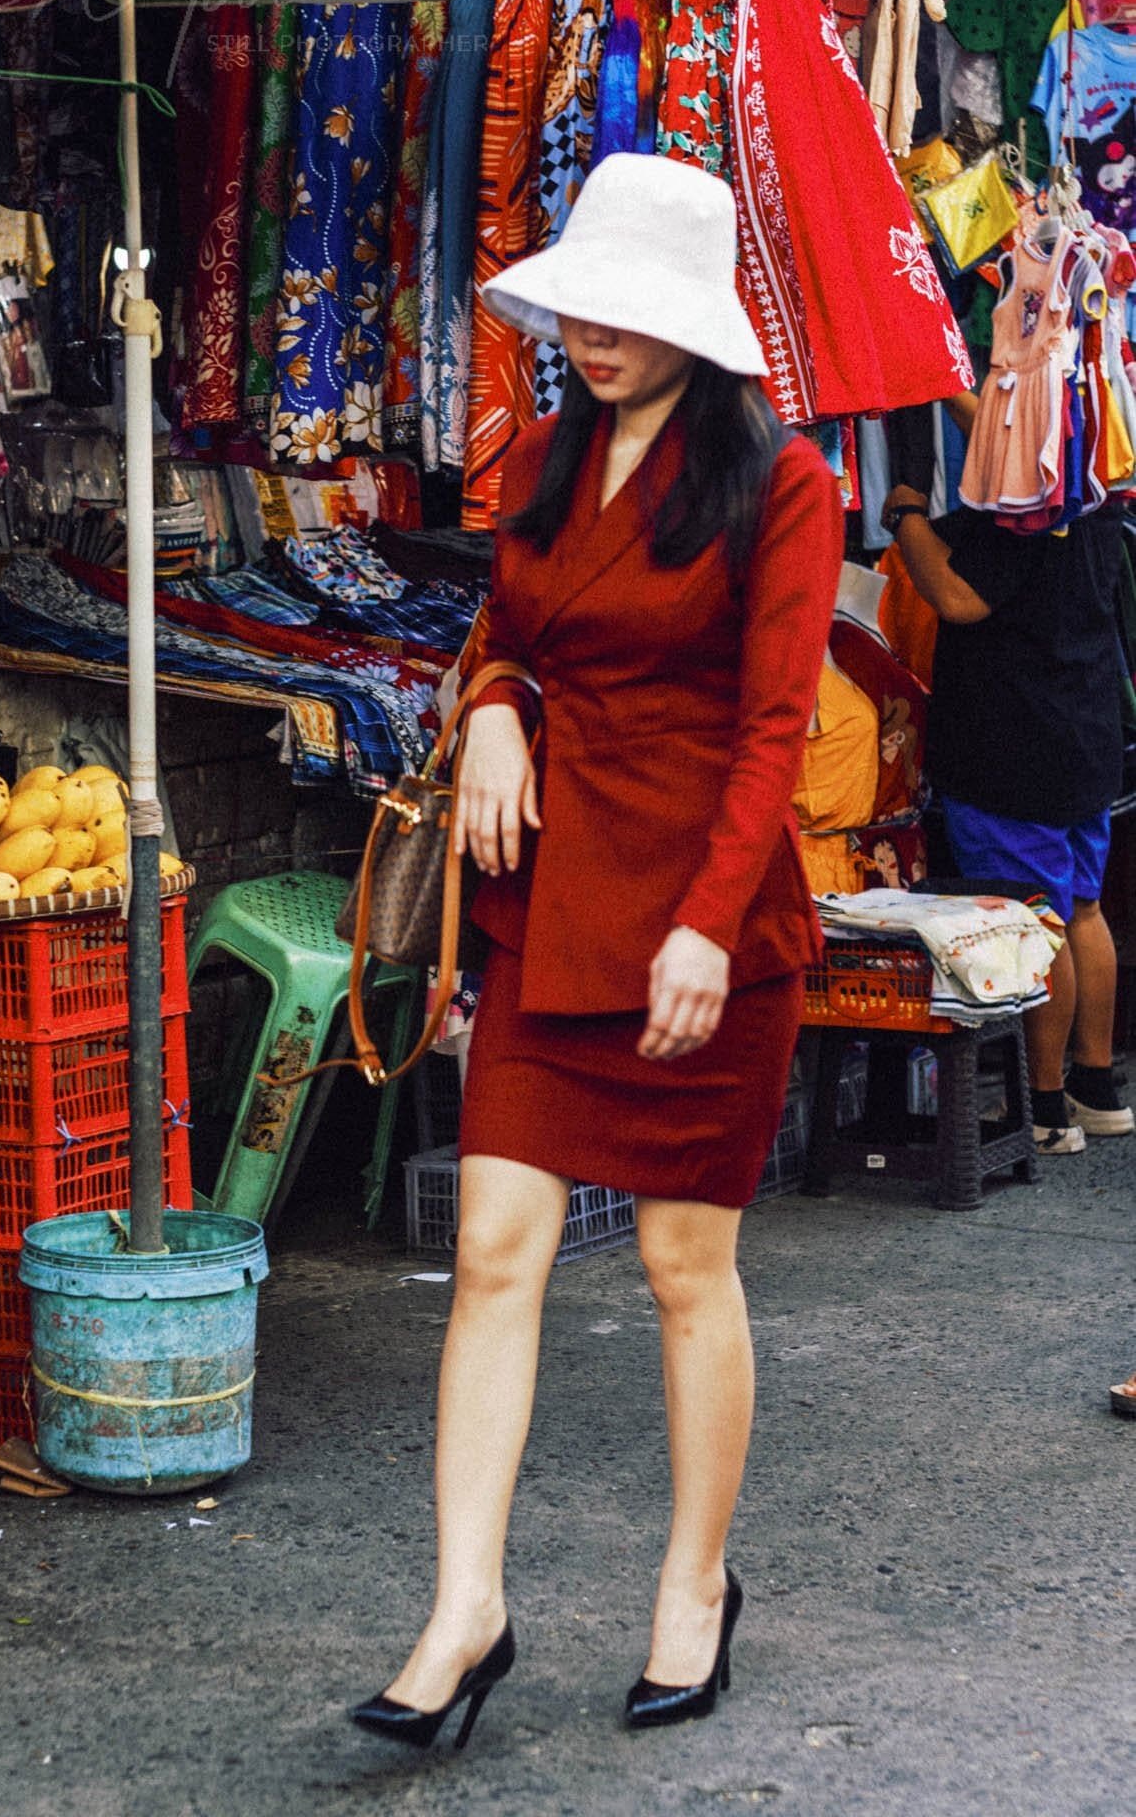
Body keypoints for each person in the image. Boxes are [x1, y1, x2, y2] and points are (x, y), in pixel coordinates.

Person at [350, 155, 844, 1752]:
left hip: (708, 919)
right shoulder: (545, 457)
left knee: (679, 1268)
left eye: (626, 305)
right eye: (581, 299)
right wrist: (491, 709)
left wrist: (707, 918)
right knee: (492, 1253)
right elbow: (501, 631)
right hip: (549, 910)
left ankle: (693, 1585)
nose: (591, 330)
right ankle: (461, 1614)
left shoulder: (782, 483)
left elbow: (777, 727)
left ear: (692, 320)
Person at [881, 471, 1134, 1155]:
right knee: (1079, 910)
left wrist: (904, 513)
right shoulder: (1094, 476)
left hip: (1013, 744)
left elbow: (958, 597)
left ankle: (1047, 1112)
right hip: (1081, 732)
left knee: (1034, 925)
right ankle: (1096, 1089)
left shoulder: (1025, 496)